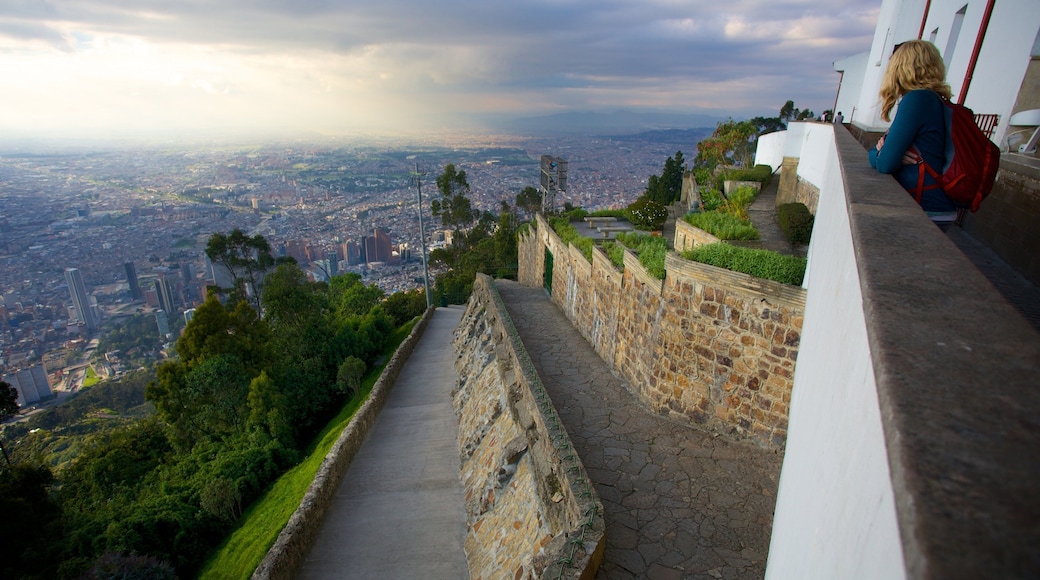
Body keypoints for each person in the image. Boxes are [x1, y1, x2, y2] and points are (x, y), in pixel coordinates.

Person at [868, 40, 957, 215]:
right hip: (936, 204)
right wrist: (886, 154)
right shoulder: (934, 99)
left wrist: (879, 153)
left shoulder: (917, 99)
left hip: (926, 207)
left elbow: (884, 163)